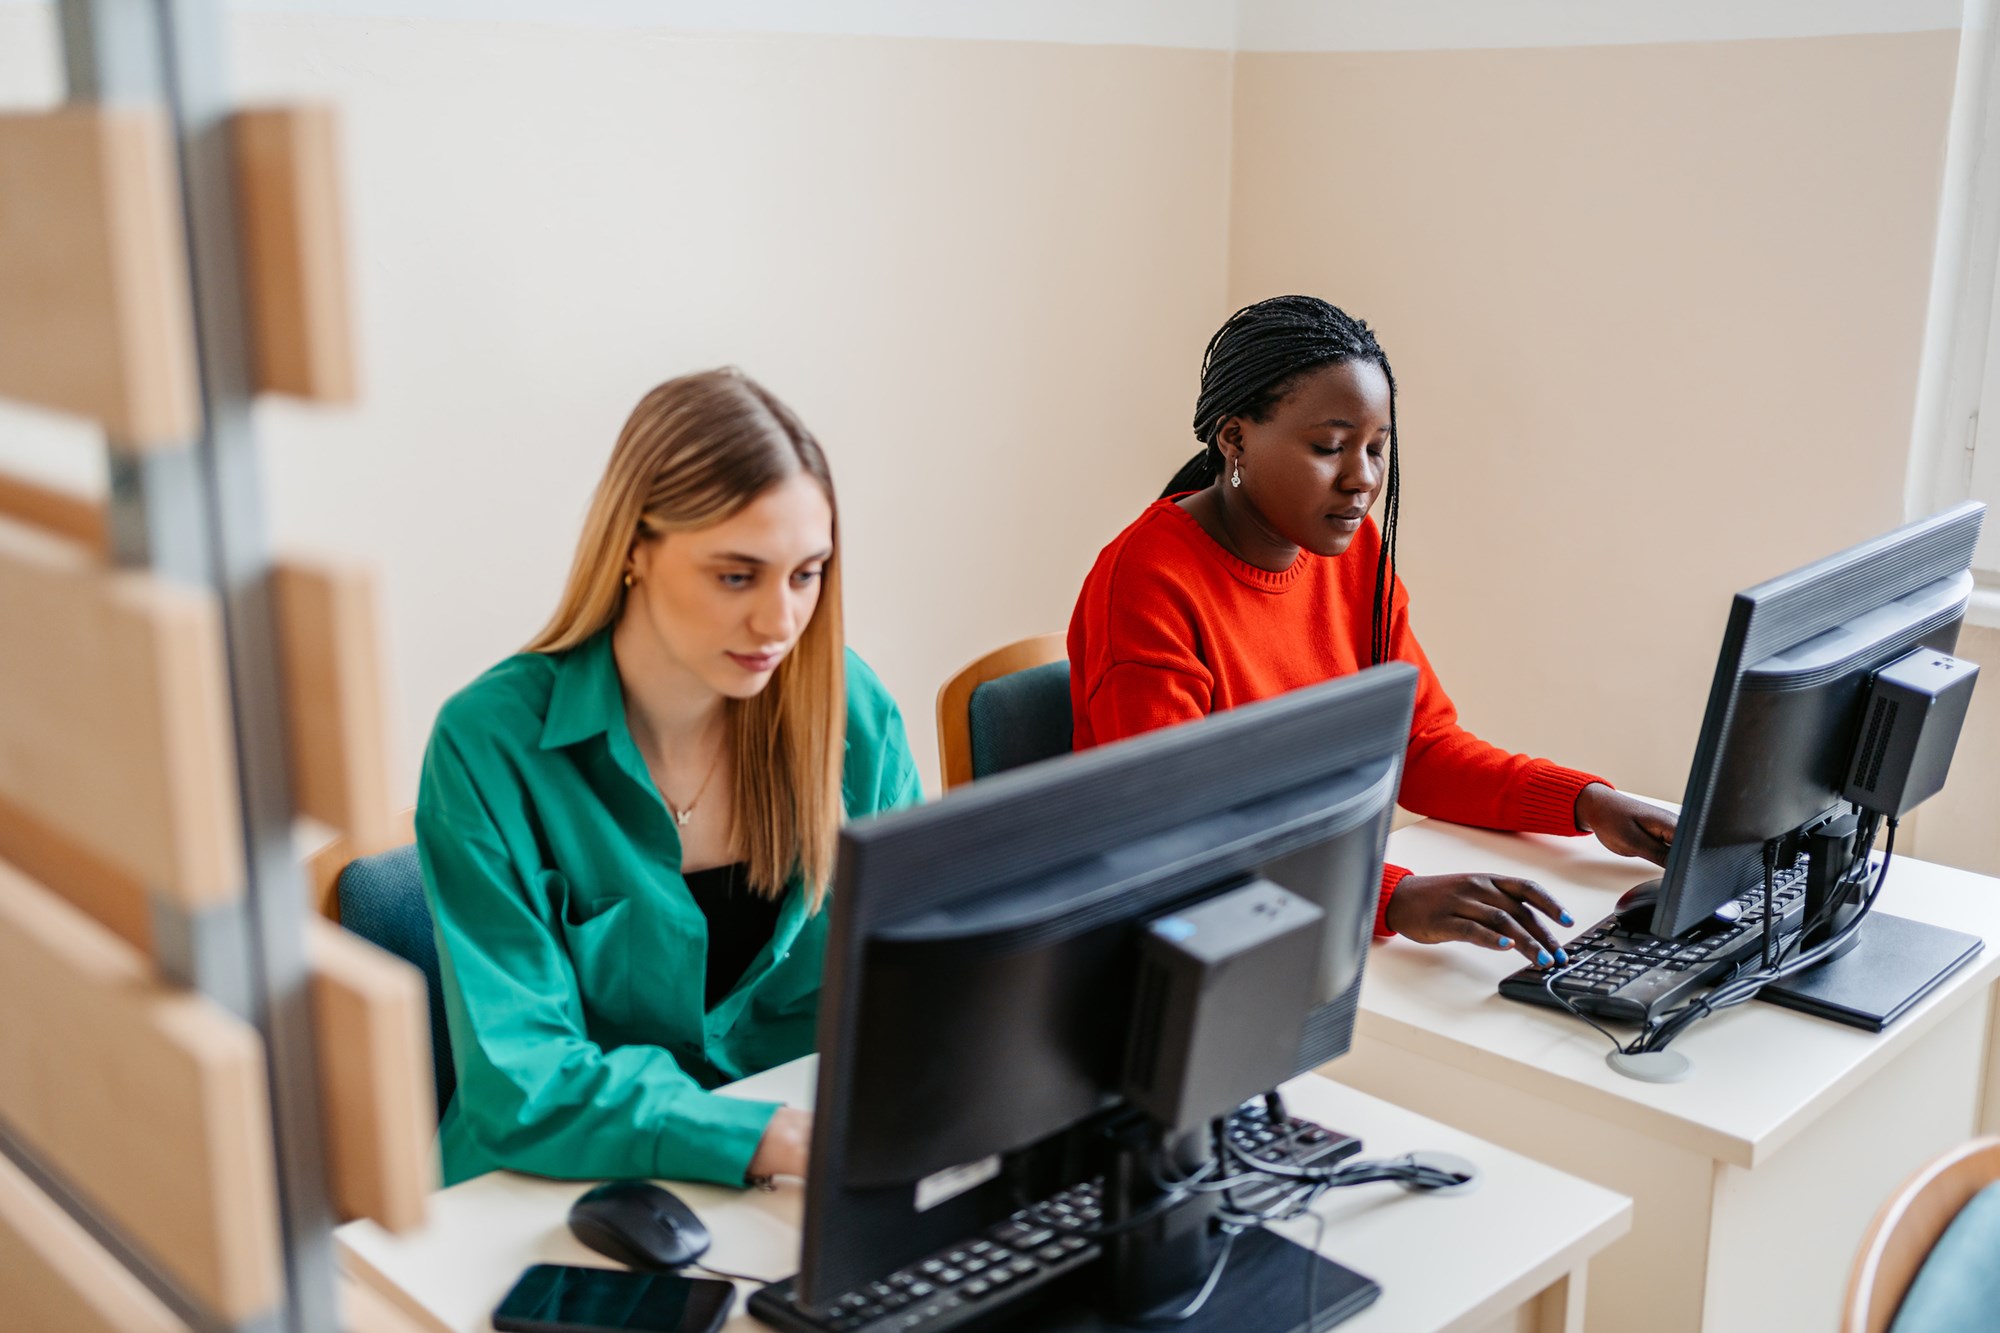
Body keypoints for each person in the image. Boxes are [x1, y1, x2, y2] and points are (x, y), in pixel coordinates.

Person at [417, 369, 921, 1188]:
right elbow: (523, 1081)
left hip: (796, 1168)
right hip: (551, 1187)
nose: (780, 622)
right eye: (736, 575)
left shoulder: (850, 711)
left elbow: (914, 975)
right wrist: (763, 1138)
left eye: (806, 573)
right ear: (632, 552)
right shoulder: (488, 744)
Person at [1068, 296, 1676, 966]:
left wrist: (1588, 804)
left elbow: (1418, 743)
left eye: (1376, 448)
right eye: (1330, 447)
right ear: (1235, 437)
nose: (1362, 478)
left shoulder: (1349, 555)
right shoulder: (1148, 582)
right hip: (1180, 940)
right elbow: (1177, 833)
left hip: (1306, 914)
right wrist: (1390, 897)